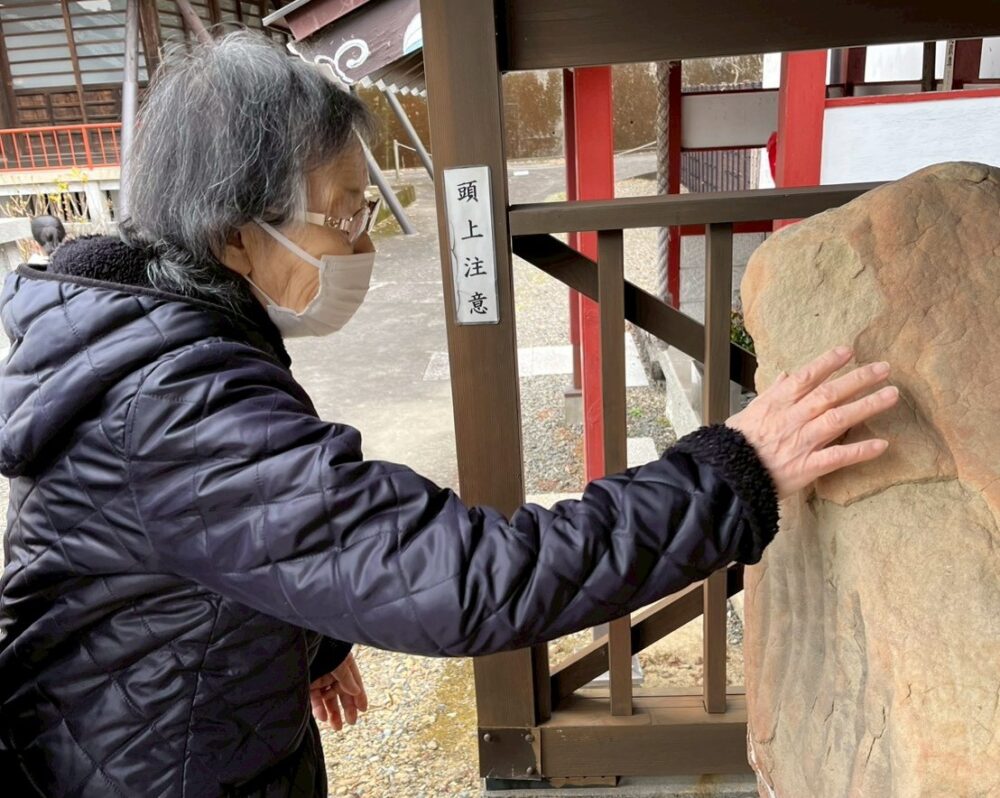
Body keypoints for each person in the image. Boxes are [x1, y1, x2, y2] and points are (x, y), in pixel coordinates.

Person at [0, 33, 899, 798]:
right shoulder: (173, 407)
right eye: (347, 215)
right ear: (235, 231)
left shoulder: (149, 342)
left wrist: (300, 639)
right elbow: (470, 578)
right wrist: (729, 473)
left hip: (180, 744)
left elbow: (220, 543)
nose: (361, 246)